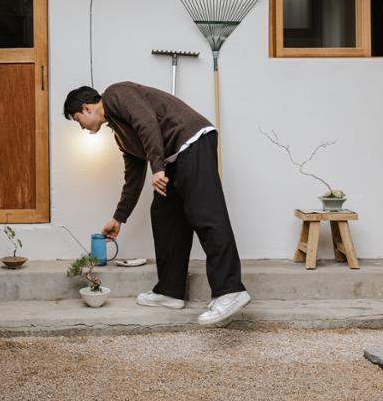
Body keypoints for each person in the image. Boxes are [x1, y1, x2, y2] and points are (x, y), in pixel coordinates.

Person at [63, 81, 250, 327]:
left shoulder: (117, 94)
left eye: (78, 120)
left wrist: (158, 169)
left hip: (192, 141)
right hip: (173, 159)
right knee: (165, 217)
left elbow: (146, 121)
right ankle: (170, 292)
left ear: (86, 108)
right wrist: (119, 218)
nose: (83, 128)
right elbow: (133, 176)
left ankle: (230, 290)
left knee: (206, 214)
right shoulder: (120, 134)